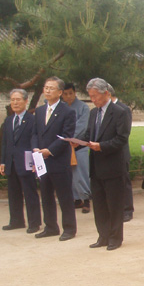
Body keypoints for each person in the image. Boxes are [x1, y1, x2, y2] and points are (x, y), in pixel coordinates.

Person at [79, 78, 131, 251]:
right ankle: (103, 236)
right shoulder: (94, 113)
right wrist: (76, 142)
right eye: (91, 96)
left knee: (114, 205)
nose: (93, 100)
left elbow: (121, 139)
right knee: (99, 205)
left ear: (106, 93)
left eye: (96, 96)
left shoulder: (120, 112)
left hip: (113, 165)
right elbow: (89, 134)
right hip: (96, 166)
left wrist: (101, 146)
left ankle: (115, 237)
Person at [31, 76, 78, 241]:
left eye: (51, 88)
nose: (47, 91)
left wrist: (49, 151)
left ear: (60, 92)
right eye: (46, 88)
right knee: (46, 195)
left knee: (65, 196)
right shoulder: (39, 111)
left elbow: (66, 136)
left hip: (58, 160)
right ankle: (50, 227)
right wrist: (35, 149)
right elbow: (35, 133)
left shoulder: (68, 112)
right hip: (42, 161)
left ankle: (69, 228)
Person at [0, 89, 42, 233]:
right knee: (13, 193)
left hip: (26, 162)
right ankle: (16, 221)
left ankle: (34, 223)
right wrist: (3, 162)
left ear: (25, 101)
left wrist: (35, 161)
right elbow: (5, 143)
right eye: (12, 100)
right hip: (11, 162)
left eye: (18, 99)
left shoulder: (32, 120)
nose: (15, 103)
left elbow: (35, 140)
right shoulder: (9, 120)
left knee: (30, 193)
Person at [62, 83, 91, 214]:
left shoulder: (83, 107)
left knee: (81, 172)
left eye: (71, 93)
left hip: (79, 144)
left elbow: (82, 126)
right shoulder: (62, 108)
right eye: (65, 94)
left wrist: (69, 137)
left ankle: (86, 199)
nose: (68, 96)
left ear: (75, 93)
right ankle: (77, 199)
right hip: (65, 145)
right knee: (70, 174)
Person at [107, 83, 134, 222]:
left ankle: (127, 209)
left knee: (124, 181)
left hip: (121, 151)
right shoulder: (103, 110)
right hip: (107, 152)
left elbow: (124, 132)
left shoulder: (123, 109)